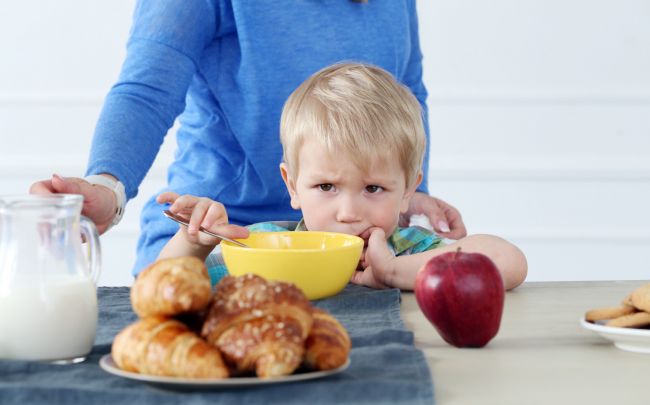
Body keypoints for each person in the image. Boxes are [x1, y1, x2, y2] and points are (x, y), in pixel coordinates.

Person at [29, 0, 467, 275]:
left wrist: (407, 193)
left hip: (358, 259)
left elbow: (407, 90)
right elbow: (148, 90)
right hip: (221, 239)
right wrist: (108, 184)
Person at [157, 63, 527, 290]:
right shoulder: (268, 249)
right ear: (292, 185)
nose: (348, 212)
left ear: (407, 192)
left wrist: (394, 271)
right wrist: (195, 242)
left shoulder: (412, 250)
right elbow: (162, 286)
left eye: (373, 188)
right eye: (326, 186)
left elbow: (508, 261)